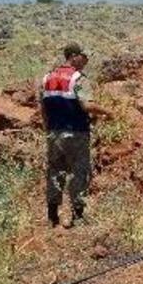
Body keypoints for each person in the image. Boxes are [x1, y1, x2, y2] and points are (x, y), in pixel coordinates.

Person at [38, 43, 110, 228]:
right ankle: (77, 216)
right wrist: (108, 112)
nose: (86, 61)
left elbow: (43, 108)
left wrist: (48, 129)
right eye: (83, 57)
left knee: (55, 173)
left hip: (54, 133)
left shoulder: (47, 78)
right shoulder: (78, 78)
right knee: (79, 172)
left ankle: (52, 217)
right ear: (73, 56)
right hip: (76, 132)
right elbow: (87, 105)